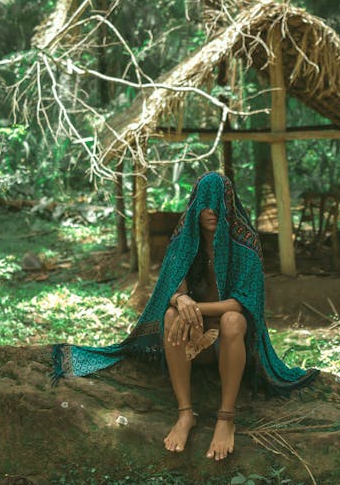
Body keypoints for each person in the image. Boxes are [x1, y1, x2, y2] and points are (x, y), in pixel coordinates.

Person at [52, 172, 317, 460]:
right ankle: (185, 413)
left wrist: (195, 307)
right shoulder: (184, 240)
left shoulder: (245, 242)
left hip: (233, 345)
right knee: (170, 315)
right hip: (193, 343)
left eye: (220, 203)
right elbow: (172, 288)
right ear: (195, 206)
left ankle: (225, 418)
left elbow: (242, 304)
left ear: (230, 205)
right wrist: (182, 299)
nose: (213, 211)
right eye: (206, 203)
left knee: (231, 320)